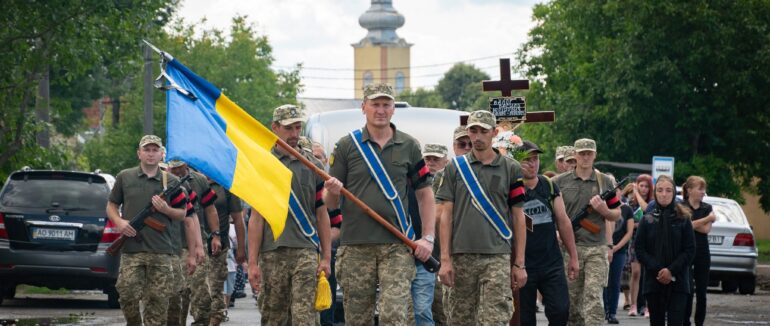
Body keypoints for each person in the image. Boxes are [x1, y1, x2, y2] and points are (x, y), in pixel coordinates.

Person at [323, 83, 436, 325]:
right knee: (357, 318)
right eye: (375, 104)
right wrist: (332, 192)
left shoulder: (409, 145)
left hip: (397, 246)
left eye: (386, 104)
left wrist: (427, 237)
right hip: (355, 246)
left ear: (394, 109)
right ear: (364, 107)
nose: (381, 110)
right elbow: (330, 201)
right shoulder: (346, 145)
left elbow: (425, 194)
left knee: (394, 316)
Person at [436, 110, 528, 325]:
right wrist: (445, 259)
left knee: (495, 320)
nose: (477, 136)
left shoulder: (511, 168)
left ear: (494, 132)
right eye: (473, 130)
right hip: (461, 256)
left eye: (483, 131)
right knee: (460, 319)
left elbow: (518, 217)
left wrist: (520, 264)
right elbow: (445, 215)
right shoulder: (454, 168)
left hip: (496, 256)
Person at [249, 104, 333, 325]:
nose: (295, 134)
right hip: (271, 252)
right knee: (273, 317)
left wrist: (325, 257)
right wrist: (252, 263)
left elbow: (322, 214)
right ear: (275, 128)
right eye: (289, 128)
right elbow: (256, 218)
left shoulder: (312, 165)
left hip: (305, 252)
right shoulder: (262, 164)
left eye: (298, 128)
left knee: (304, 317)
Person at [106, 135, 188, 326]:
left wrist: (165, 210)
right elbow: (111, 205)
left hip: (161, 251)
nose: (151, 154)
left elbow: (182, 214)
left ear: (161, 154)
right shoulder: (125, 177)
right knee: (127, 295)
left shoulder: (172, 182)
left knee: (157, 302)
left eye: (154, 150)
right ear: (139, 153)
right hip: (132, 250)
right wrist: (119, 222)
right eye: (147, 150)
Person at [552, 138, 621, 326]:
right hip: (569, 248)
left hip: (596, 248)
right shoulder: (558, 182)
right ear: (574, 155)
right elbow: (547, 213)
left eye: (589, 153)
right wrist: (555, 232)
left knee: (593, 298)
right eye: (581, 153)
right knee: (572, 304)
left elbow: (617, 214)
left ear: (595, 155)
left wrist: (604, 211)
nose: (585, 157)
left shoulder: (604, 182)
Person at [514, 140, 579, 326]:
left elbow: (564, 221)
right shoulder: (511, 187)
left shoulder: (549, 186)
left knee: (560, 311)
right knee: (524, 318)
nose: (532, 163)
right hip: (523, 265)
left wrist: (573, 257)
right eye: (527, 160)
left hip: (551, 263)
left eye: (535, 159)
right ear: (516, 162)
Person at [635, 175, 695, 325]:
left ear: (674, 193)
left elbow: (690, 250)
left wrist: (671, 270)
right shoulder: (647, 219)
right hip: (653, 281)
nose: (664, 194)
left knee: (676, 322)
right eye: (660, 190)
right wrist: (658, 269)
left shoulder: (683, 219)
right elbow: (640, 249)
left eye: (668, 190)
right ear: (655, 193)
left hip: (678, 280)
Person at [165, 160, 219, 326]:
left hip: (196, 243)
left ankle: (202, 321)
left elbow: (209, 209)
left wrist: (215, 235)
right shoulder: (162, 180)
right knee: (177, 294)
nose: (177, 171)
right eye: (173, 168)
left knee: (201, 292)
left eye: (179, 167)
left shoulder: (198, 180)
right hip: (170, 245)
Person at [431, 126, 471, 326]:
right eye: (461, 144)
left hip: (487, 251)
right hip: (455, 250)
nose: (466, 148)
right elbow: (437, 216)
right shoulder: (444, 175)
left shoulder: (495, 168)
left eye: (470, 144)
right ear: (454, 147)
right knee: (454, 313)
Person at [207, 178, 246, 326]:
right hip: (194, 245)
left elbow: (238, 218)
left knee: (215, 291)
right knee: (199, 294)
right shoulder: (193, 180)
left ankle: (215, 319)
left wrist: (241, 249)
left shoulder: (225, 185)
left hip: (219, 247)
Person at [682, 176, 715, 326]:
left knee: (702, 292)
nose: (703, 192)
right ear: (689, 190)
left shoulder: (707, 208)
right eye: (700, 189)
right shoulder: (681, 206)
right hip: (686, 252)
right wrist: (707, 218)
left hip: (702, 252)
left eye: (704, 189)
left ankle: (699, 323)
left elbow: (706, 230)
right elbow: (685, 226)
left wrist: (693, 223)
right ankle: (685, 321)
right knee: (687, 290)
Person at [603, 186, 636, 324]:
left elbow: (629, 232)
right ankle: (605, 310)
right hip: (604, 248)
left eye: (615, 189)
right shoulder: (603, 207)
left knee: (615, 282)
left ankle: (612, 312)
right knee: (605, 281)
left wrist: (616, 247)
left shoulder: (626, 209)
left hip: (620, 250)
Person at [629, 174, 654, 317]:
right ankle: (633, 305)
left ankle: (647, 307)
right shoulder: (630, 203)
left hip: (650, 241)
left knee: (649, 273)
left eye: (646, 186)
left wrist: (637, 194)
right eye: (641, 186)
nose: (643, 189)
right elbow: (628, 223)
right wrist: (635, 225)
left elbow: (646, 210)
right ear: (637, 185)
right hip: (634, 240)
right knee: (636, 273)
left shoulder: (652, 202)